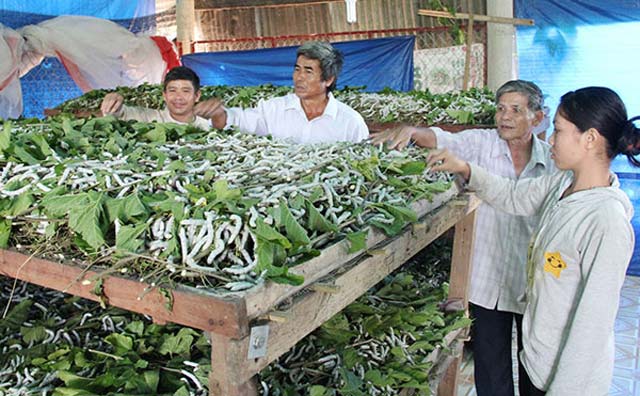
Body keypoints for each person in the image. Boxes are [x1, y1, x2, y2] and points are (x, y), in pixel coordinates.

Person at [427, 86, 637, 395]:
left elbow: (591, 327)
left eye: (559, 131)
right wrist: (466, 168)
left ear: (589, 139)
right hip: (539, 360)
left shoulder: (605, 221)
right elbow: (512, 196)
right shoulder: (563, 184)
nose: (550, 139)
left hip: (566, 380)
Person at [371, 80, 555, 396]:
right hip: (486, 283)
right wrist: (414, 132)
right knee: (490, 369)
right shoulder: (481, 143)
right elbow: (444, 139)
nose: (504, 117)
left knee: (535, 370)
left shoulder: (552, 161)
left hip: (531, 285)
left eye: (515, 110)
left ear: (537, 118)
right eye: (500, 109)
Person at [195, 41, 369, 144]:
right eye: (297, 69)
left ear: (328, 79)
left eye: (308, 71)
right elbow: (240, 121)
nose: (299, 77)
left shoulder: (351, 122)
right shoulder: (274, 109)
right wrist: (219, 115)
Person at [100, 65, 212, 130]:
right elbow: (119, 114)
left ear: (197, 96)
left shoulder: (206, 127)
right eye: (172, 90)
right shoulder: (149, 118)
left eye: (185, 91)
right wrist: (113, 100)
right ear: (164, 95)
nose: (178, 97)